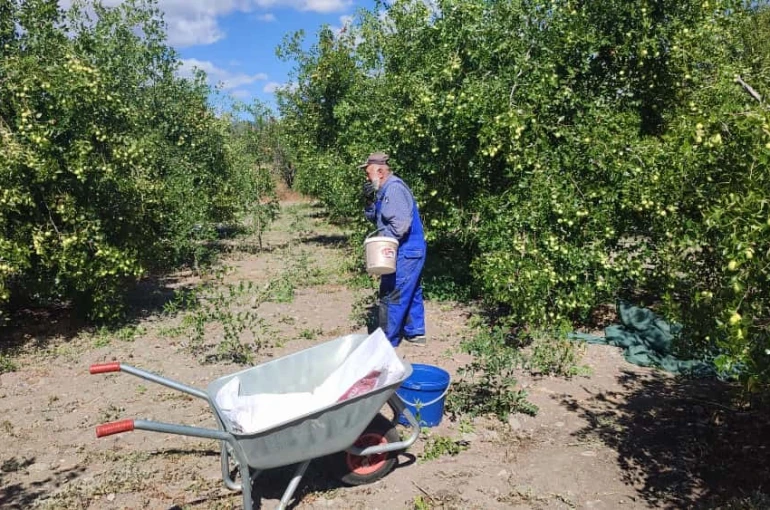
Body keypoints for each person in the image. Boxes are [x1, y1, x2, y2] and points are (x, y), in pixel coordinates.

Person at [359, 152, 427, 347]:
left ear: (380, 172)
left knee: (392, 292)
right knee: (411, 290)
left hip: (407, 250)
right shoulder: (384, 190)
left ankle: (387, 341)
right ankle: (415, 332)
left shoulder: (394, 189)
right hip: (409, 249)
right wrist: (369, 201)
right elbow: (376, 218)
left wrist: (381, 243)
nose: (367, 178)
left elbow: (400, 227)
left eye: (368, 173)